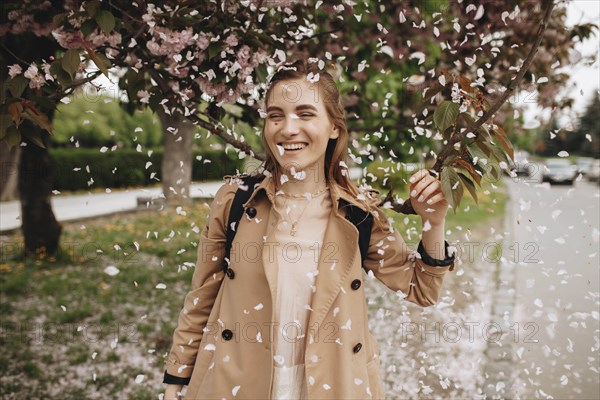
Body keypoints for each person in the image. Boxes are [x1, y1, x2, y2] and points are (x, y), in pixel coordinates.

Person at [163, 58, 455, 400]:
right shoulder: (236, 200)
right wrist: (175, 380)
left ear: (333, 126)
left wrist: (433, 223)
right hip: (238, 381)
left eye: (305, 114)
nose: (287, 128)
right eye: (276, 115)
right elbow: (201, 298)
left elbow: (422, 290)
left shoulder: (359, 214)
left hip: (331, 384)